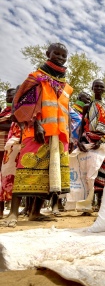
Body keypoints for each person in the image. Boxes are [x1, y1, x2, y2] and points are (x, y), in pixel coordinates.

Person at [1, 42, 73, 227]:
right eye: (56, 53)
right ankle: (14, 213)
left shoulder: (66, 86)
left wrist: (69, 135)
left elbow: (66, 112)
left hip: (60, 135)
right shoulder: (36, 78)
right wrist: (36, 124)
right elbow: (23, 103)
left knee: (50, 175)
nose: (60, 57)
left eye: (63, 55)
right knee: (26, 169)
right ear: (48, 53)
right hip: (37, 132)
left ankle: (35, 212)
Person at [77, 79, 105, 211]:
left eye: (101, 86)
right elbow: (82, 125)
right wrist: (80, 141)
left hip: (103, 141)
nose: (98, 88)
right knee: (88, 172)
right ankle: (87, 204)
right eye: (96, 86)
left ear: (104, 89)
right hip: (88, 140)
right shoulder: (87, 107)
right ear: (92, 88)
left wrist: (102, 140)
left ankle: (100, 205)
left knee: (103, 171)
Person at [0, 87, 17, 217]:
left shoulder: (16, 111)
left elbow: (13, 125)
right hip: (1, 148)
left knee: (10, 177)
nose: (8, 97)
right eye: (7, 95)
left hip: (10, 149)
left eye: (11, 95)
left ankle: (13, 210)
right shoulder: (3, 112)